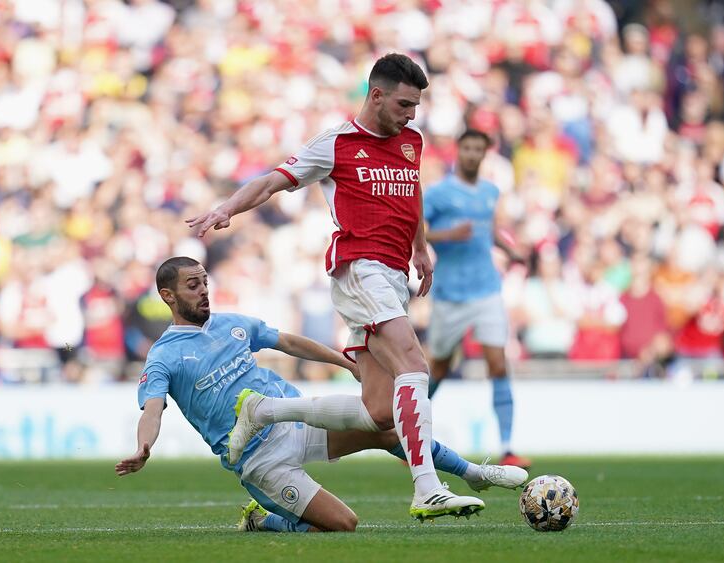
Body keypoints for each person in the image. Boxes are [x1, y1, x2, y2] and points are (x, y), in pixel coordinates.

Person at [187, 53, 480, 518]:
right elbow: (269, 183)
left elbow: (412, 190)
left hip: (393, 275)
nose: (411, 115)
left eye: (416, 107)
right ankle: (427, 487)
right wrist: (227, 208)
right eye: (404, 104)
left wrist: (420, 248)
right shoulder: (337, 144)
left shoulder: (411, 142)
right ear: (376, 95)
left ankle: (263, 411)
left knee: (380, 412)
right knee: (414, 365)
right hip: (359, 269)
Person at [116, 257, 528, 532]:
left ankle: (474, 473)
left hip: (295, 423)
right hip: (259, 460)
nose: (204, 291)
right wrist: (142, 447)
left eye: (205, 282)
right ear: (168, 296)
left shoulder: (232, 324)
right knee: (341, 524)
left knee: (386, 426)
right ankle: (262, 519)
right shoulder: (164, 356)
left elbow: (290, 343)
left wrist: (343, 362)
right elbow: (153, 409)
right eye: (193, 286)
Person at [423, 129, 531, 468]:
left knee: (498, 363)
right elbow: (416, 230)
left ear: (484, 154)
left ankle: (508, 447)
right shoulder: (438, 193)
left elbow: (489, 229)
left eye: (477, 150)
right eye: (467, 148)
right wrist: (447, 235)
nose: (471, 155)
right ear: (459, 151)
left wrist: (509, 251)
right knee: (439, 365)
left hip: (486, 288)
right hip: (450, 293)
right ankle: (410, 435)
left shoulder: (490, 192)